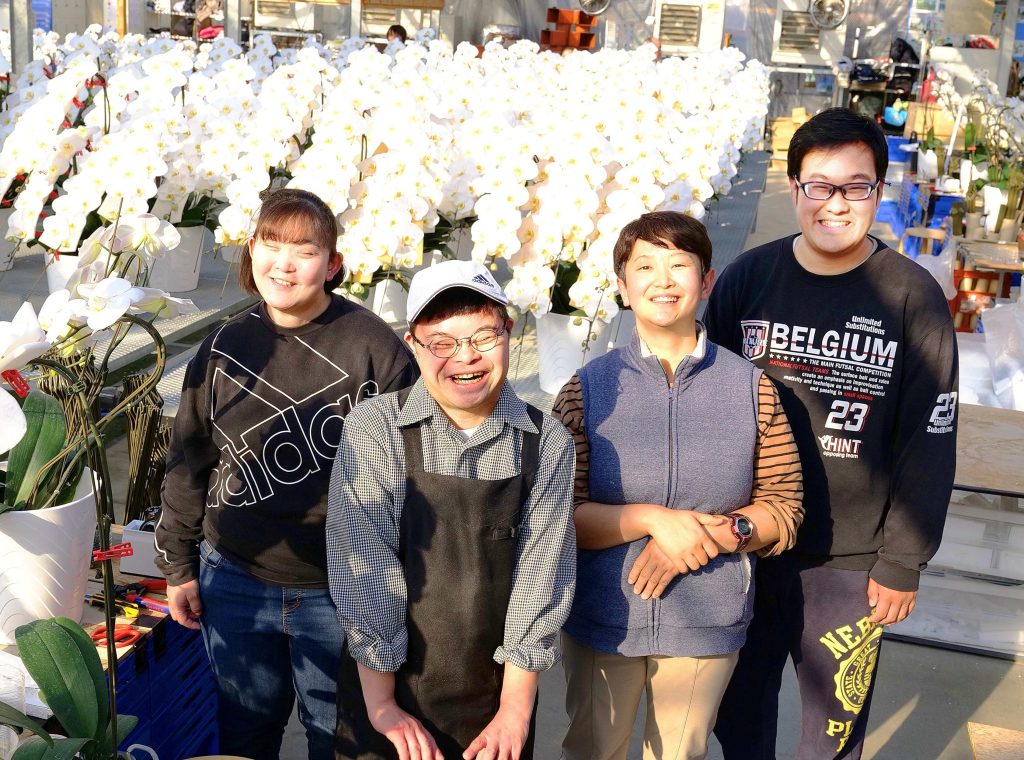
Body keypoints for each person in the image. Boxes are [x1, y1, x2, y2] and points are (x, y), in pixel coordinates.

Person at [707, 108, 959, 760]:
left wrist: (902, 560)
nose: (837, 203)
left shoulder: (912, 297)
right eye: (820, 185)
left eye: (856, 186)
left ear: (879, 190)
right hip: (750, 543)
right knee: (738, 721)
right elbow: (706, 404)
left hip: (851, 562)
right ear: (794, 187)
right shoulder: (747, 280)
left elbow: (929, 438)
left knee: (834, 734)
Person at [155, 188, 418, 760]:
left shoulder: (374, 348)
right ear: (251, 251)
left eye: (304, 251)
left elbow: (415, 472)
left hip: (339, 589)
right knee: (245, 731)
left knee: (338, 737)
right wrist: (178, 565)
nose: (284, 264)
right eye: (271, 246)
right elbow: (188, 460)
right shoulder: (225, 344)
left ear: (333, 264)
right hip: (235, 578)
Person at [551, 211, 804, 760]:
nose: (662, 280)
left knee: (679, 752)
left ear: (706, 280)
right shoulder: (586, 390)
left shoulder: (752, 390)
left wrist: (709, 536)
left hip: (707, 620)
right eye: (644, 266)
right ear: (622, 287)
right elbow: (557, 514)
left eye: (679, 265)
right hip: (604, 619)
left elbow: (784, 506)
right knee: (592, 750)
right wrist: (653, 521)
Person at [327, 260, 576, 760]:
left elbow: (542, 579)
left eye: (484, 336)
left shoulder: (546, 441)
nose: (465, 356)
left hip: (495, 700)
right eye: (441, 342)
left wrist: (515, 712)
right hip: (384, 691)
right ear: (413, 344)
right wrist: (382, 705)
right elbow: (363, 569)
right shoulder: (375, 428)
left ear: (509, 332)